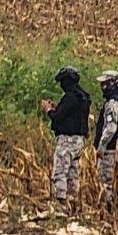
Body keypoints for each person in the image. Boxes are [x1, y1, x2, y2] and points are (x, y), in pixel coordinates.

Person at [42, 66, 91, 209]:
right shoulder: (83, 97)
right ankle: (73, 202)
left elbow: (57, 118)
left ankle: (61, 204)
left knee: (60, 171)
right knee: (73, 173)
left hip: (67, 140)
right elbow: (73, 115)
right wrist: (58, 108)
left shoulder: (70, 97)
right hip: (79, 141)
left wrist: (48, 110)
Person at [94, 70, 118, 210]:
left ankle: (107, 212)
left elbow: (111, 128)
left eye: (106, 84)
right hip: (115, 148)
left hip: (109, 149)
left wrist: (101, 146)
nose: (103, 87)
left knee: (105, 181)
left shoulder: (112, 103)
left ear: (114, 84)